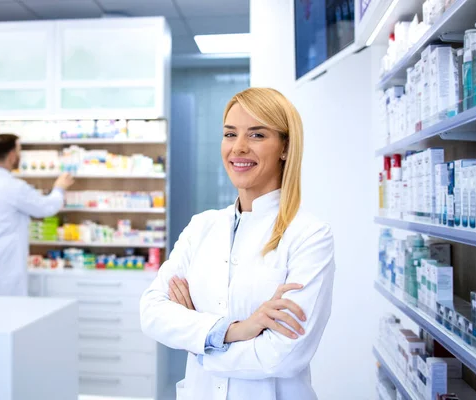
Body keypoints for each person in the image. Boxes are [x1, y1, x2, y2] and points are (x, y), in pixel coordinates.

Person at [140, 88, 335, 399]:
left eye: (257, 135)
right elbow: (151, 312)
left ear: (285, 147)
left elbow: (284, 355)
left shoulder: (309, 235)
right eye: (230, 134)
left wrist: (199, 343)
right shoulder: (201, 227)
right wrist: (235, 331)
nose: (239, 148)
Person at [0, 134, 74, 296]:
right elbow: (45, 208)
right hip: (3, 270)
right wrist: (59, 188)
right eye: (19, 151)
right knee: (7, 318)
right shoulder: (13, 187)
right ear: (12, 156)